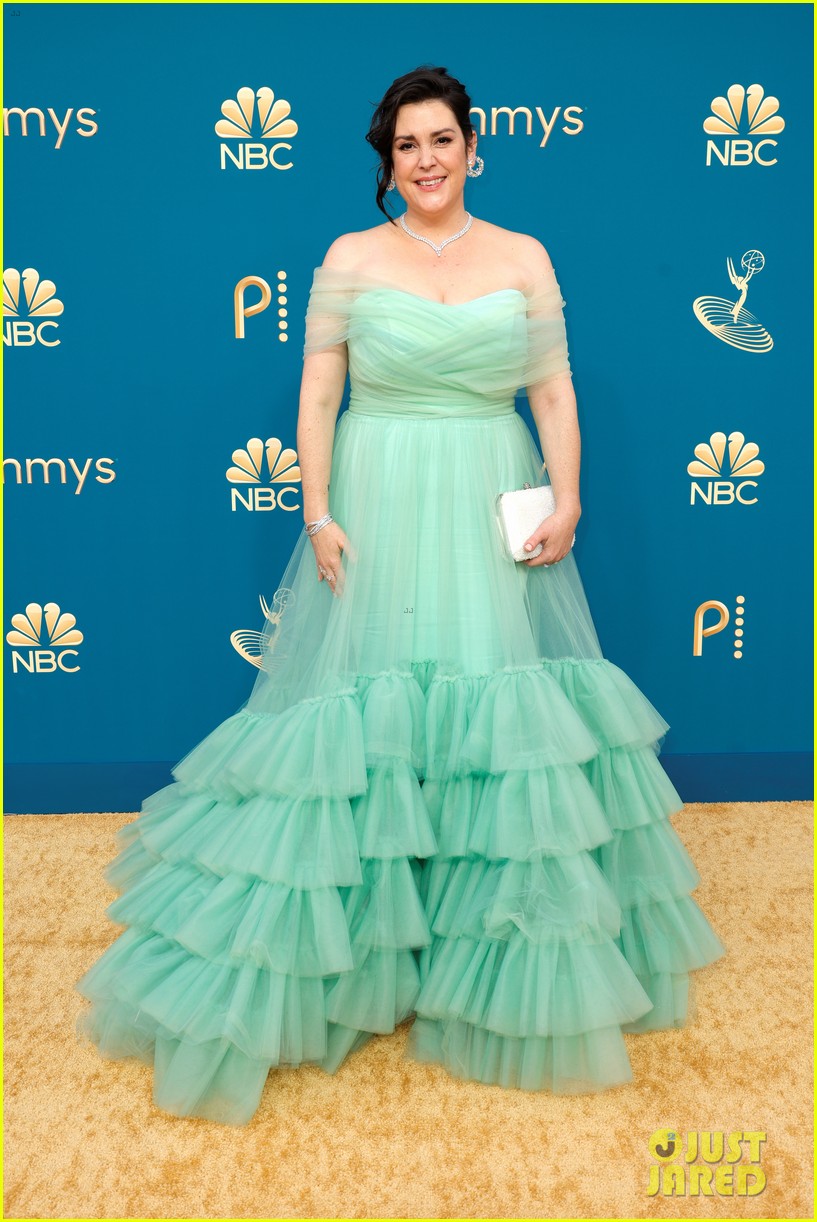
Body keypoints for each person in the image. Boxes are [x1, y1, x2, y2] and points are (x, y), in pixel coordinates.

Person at [74, 64, 726, 1126]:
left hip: (485, 487)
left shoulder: (523, 256)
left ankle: (487, 960)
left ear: (476, 145)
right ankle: (357, 962)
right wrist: (319, 511)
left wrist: (568, 495)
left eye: (441, 140)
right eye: (404, 146)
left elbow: (550, 387)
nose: (423, 161)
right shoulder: (349, 256)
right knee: (366, 717)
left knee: (491, 716)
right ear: (389, 162)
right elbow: (320, 390)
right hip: (376, 492)